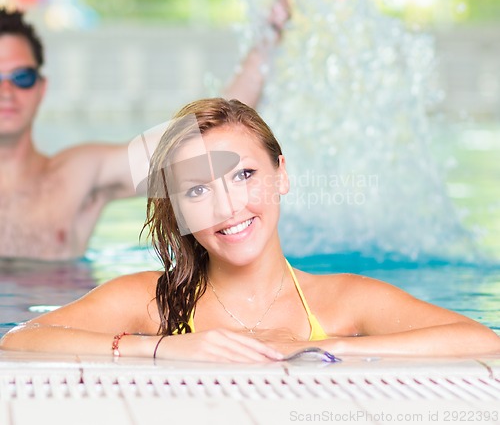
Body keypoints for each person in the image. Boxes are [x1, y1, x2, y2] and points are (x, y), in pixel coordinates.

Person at [1, 98, 499, 361]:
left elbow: (481, 341)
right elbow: (20, 341)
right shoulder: (150, 302)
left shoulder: (341, 302)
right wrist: (164, 347)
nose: (227, 205)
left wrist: (324, 349)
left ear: (281, 174)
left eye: (245, 175)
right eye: (197, 190)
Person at [0, 0, 290, 260]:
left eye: (21, 78)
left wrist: (271, 31)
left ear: (41, 87)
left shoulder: (78, 175)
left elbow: (206, 134)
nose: (7, 92)